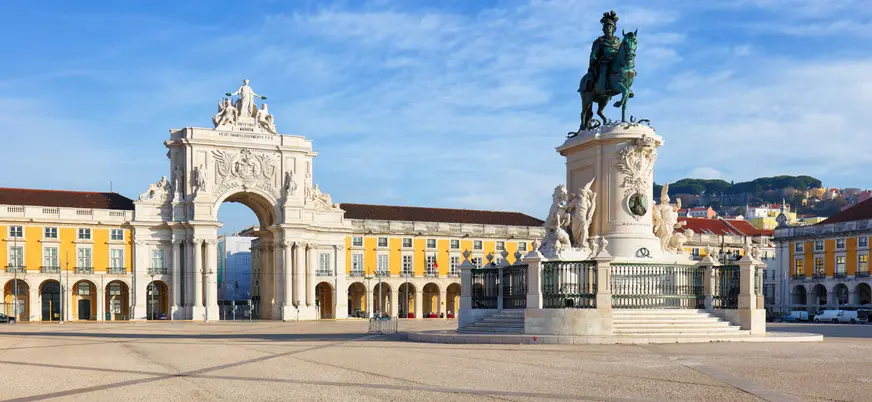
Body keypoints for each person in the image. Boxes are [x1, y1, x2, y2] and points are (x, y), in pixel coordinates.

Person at [580, 10, 621, 96]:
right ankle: (603, 88)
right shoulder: (599, 41)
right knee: (604, 69)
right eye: (606, 27)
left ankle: (627, 87)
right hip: (604, 62)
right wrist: (593, 62)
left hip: (616, 62)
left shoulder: (618, 41)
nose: (608, 29)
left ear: (614, 29)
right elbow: (594, 54)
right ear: (604, 29)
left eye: (610, 27)